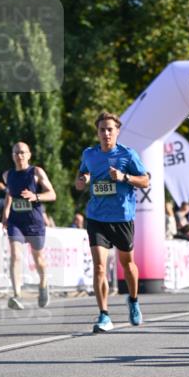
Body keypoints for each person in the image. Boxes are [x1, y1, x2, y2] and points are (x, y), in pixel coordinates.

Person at [76, 110, 149, 333]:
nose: (106, 133)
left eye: (110, 129)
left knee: (127, 265)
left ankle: (134, 301)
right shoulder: (89, 154)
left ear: (117, 131)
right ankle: (104, 315)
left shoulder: (128, 154)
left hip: (122, 217)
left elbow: (145, 181)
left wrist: (124, 177)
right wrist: (83, 180)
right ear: (97, 132)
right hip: (96, 217)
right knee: (99, 267)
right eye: (102, 130)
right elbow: (81, 178)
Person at [2, 143, 56, 310]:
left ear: (29, 154)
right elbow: (9, 194)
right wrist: (5, 213)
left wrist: (36, 196)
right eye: (16, 153)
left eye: (23, 153)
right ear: (12, 155)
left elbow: (52, 194)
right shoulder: (7, 175)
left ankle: (43, 284)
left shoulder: (36, 172)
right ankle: (17, 294)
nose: (20, 156)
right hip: (16, 221)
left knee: (38, 258)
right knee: (15, 255)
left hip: (34, 221)